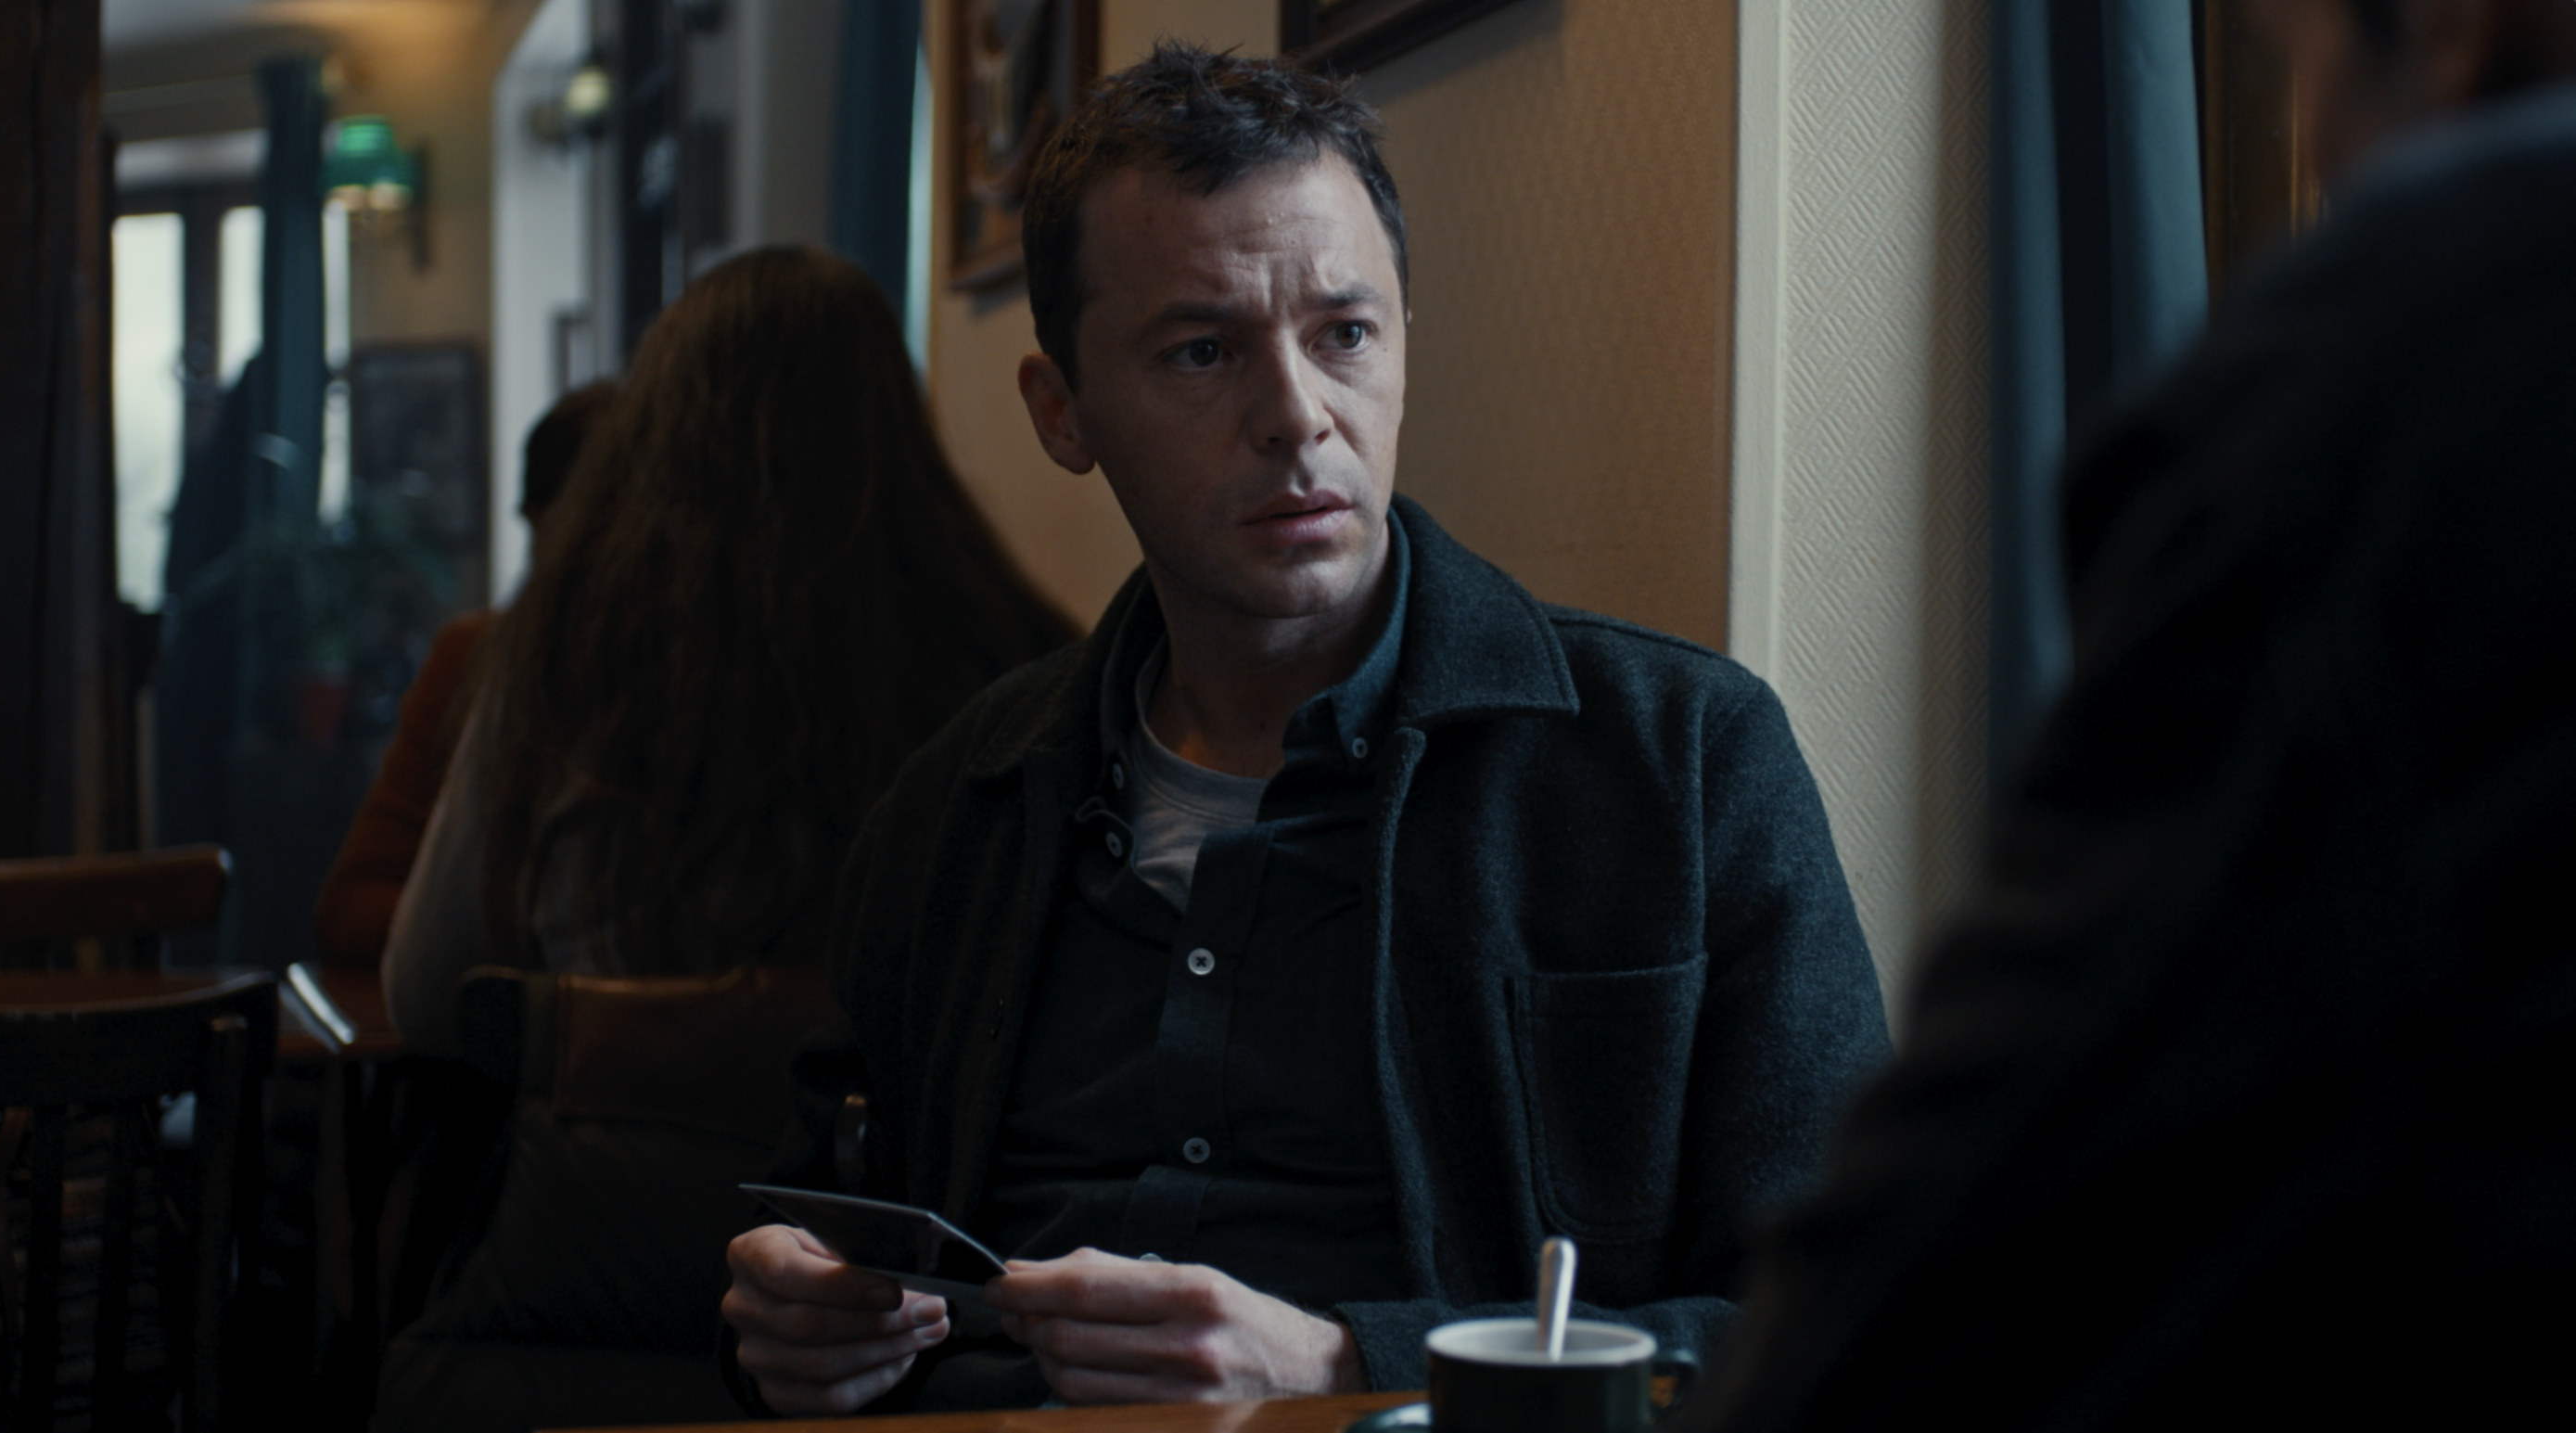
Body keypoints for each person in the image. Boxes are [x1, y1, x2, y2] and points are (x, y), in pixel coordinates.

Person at [721, 45, 1890, 1416]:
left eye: (1343, 334)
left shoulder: (1677, 763)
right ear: (1062, 411)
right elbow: (813, 1226)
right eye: (1202, 351)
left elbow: (1859, 1317)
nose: (1296, 417)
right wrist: (784, 1321)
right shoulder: (959, 799)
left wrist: (1343, 1363)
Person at [1693, 2, 2576, 1427]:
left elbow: (1967, 1258)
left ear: (2443, 27)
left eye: (2292, 71)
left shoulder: (2420, 331)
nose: (2307, 149)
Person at [381, 249, 1077, 1055]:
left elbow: (426, 996)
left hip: (604, 1136)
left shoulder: (558, 657)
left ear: (654, 431)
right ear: (894, 419)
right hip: (899, 1139)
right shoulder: (1014, 658)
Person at [312, 379, 618, 968]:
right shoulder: (478, 658)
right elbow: (350, 908)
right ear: (540, 523)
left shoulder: (709, 671)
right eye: (600, 522)